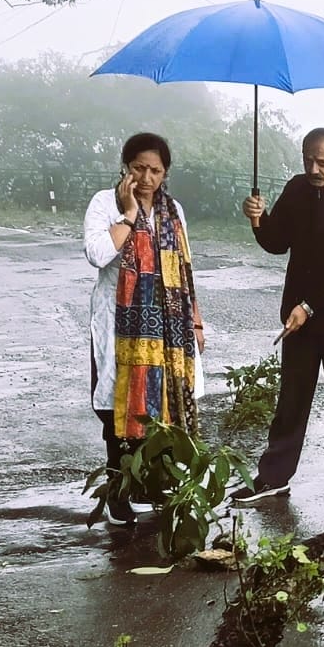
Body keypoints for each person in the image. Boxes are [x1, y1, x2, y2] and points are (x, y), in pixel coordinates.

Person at [230, 127, 324, 504]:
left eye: (322, 162)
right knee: (291, 401)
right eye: (308, 159)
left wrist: (308, 307)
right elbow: (277, 243)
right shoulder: (296, 190)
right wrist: (258, 219)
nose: (313, 167)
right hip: (299, 320)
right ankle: (274, 476)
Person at [83, 131, 204, 526]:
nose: (147, 178)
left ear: (165, 173)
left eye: (155, 170)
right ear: (126, 168)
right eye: (139, 169)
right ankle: (119, 491)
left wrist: (197, 321)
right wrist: (129, 214)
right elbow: (99, 254)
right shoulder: (104, 204)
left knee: (164, 405)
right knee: (118, 407)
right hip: (120, 327)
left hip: (169, 328)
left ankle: (156, 485)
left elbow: (185, 271)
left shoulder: (174, 212)